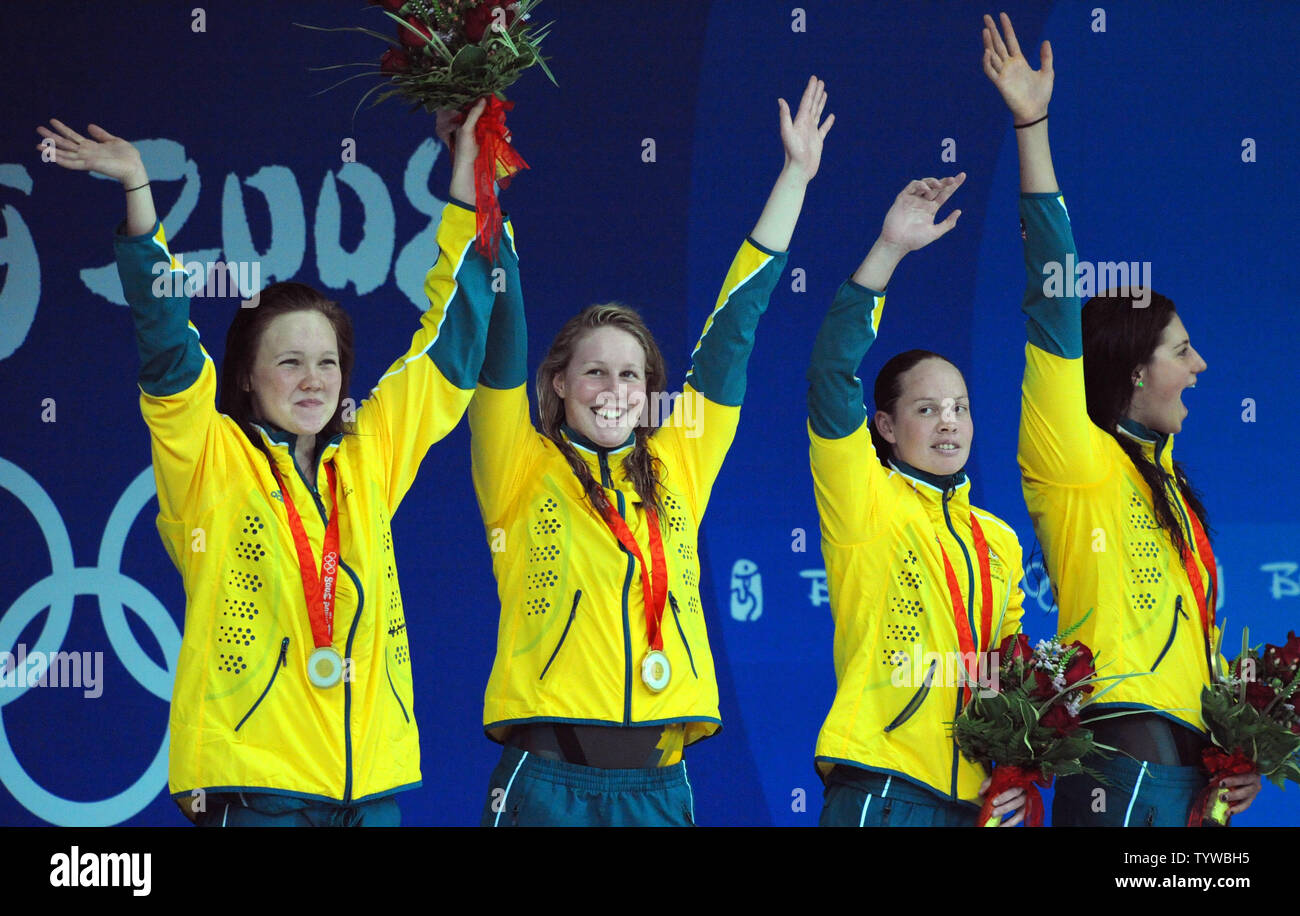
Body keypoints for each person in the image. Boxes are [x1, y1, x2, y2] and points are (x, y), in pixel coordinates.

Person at [35, 101, 497, 826]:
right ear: (246, 375)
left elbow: (450, 350)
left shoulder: (368, 454)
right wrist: (136, 190)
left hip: (371, 792)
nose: (313, 380)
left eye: (327, 363)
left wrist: (470, 173)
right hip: (258, 790)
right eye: (289, 362)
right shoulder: (209, 455)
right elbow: (166, 343)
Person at [465, 77, 833, 827]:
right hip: (546, 784)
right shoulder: (518, 461)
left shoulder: (677, 465)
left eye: (630, 374)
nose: (613, 388)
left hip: (661, 788)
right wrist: (485, 184)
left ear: (650, 390)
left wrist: (794, 176)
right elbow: (499, 337)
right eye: (593, 371)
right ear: (559, 383)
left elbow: (734, 332)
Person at [981, 11, 1262, 825]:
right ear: (1136, 369)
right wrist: (1032, 127)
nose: (1200, 366)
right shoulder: (1076, 457)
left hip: (1191, 787)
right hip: (1121, 774)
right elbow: (1054, 289)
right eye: (1183, 349)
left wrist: (1232, 765)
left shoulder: (1169, 485)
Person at [808, 174, 1030, 827]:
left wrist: (1016, 768)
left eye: (959, 408)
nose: (949, 424)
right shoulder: (862, 497)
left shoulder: (1000, 539)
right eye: (927, 409)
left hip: (974, 801)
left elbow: (1012, 675)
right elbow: (830, 373)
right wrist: (888, 250)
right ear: (884, 426)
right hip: (883, 785)